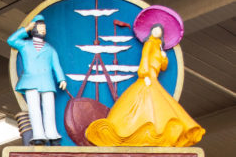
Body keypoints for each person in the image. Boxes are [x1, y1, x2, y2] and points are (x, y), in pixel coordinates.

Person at [85, 10, 205, 147]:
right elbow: (145, 59)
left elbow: (164, 67)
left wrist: (163, 56)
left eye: (160, 31)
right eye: (155, 30)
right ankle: (138, 131)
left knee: (157, 104)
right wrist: (144, 74)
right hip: (148, 76)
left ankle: (155, 131)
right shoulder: (149, 44)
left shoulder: (159, 47)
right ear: (152, 31)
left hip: (154, 77)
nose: (157, 32)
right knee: (145, 103)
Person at [7, 19, 67, 145]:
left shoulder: (49, 49)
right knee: (34, 109)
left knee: (49, 108)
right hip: (30, 80)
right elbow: (11, 40)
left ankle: (52, 134)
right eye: (40, 28)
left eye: (44, 28)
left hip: (47, 81)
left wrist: (61, 79)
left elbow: (56, 65)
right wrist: (26, 29)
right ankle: (38, 135)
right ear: (34, 29)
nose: (43, 30)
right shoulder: (25, 45)